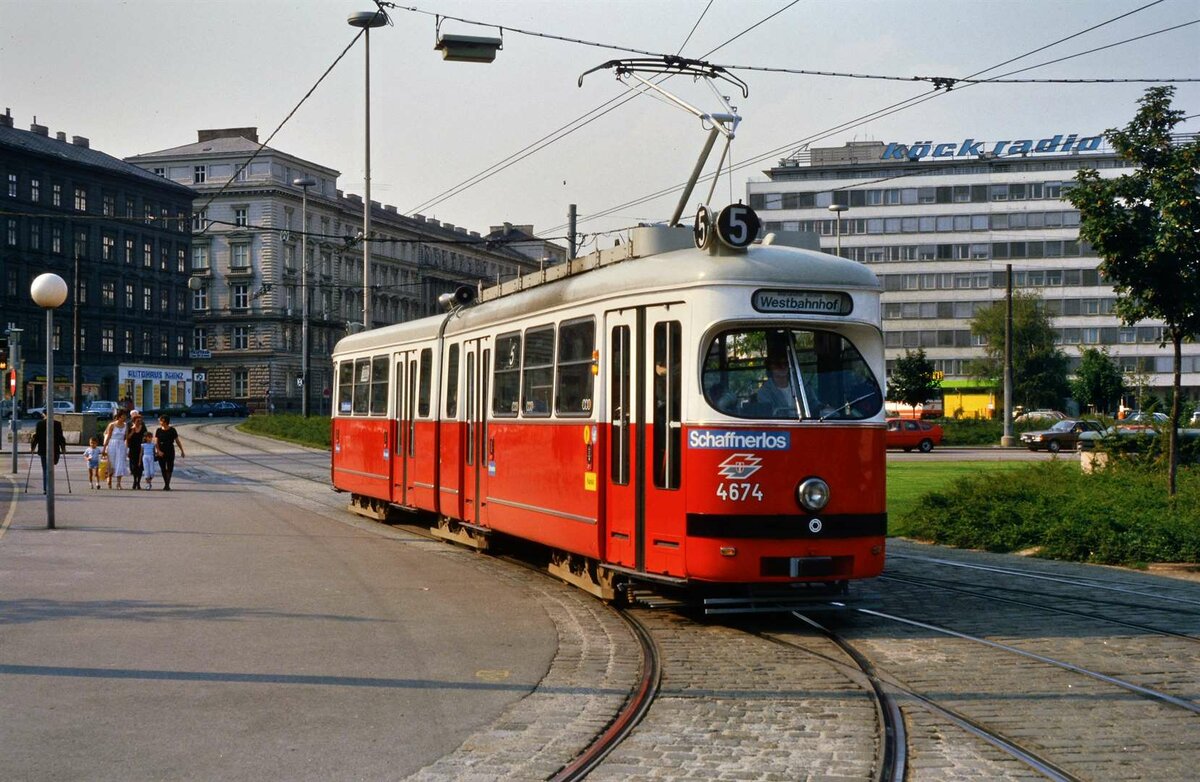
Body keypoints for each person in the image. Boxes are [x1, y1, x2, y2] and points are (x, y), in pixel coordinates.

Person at [153, 415, 185, 491]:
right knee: (163, 468)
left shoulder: (172, 430)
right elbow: (156, 442)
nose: (160, 422)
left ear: (165, 422)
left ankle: (167, 484)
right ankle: (166, 484)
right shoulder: (158, 430)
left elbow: (177, 441)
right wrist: (158, 451)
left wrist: (182, 450)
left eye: (161, 421)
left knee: (170, 468)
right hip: (161, 450)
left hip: (170, 450)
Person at [102, 409, 131, 489]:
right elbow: (108, 436)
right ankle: (109, 477)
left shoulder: (125, 425)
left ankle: (118, 483)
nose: (124, 418)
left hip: (121, 445)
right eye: (123, 416)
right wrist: (104, 448)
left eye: (125, 416)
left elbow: (126, 438)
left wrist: (127, 449)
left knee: (120, 463)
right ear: (119, 417)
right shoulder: (112, 425)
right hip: (112, 444)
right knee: (111, 462)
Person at [125, 413, 148, 490]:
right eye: (137, 421)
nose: (139, 422)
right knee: (134, 466)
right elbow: (127, 438)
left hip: (141, 449)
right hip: (132, 449)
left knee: (140, 466)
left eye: (140, 421)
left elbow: (146, 436)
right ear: (134, 421)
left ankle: (138, 483)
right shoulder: (130, 428)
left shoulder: (143, 427)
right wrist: (132, 431)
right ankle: (135, 480)